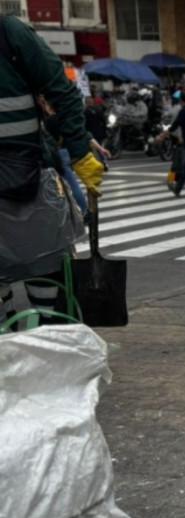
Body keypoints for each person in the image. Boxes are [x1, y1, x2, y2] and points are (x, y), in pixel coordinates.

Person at [0, 15, 105, 324]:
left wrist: (79, 149)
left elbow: (64, 92)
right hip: (25, 180)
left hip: (26, 180)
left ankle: (53, 352)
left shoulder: (9, 34)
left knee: (47, 288)